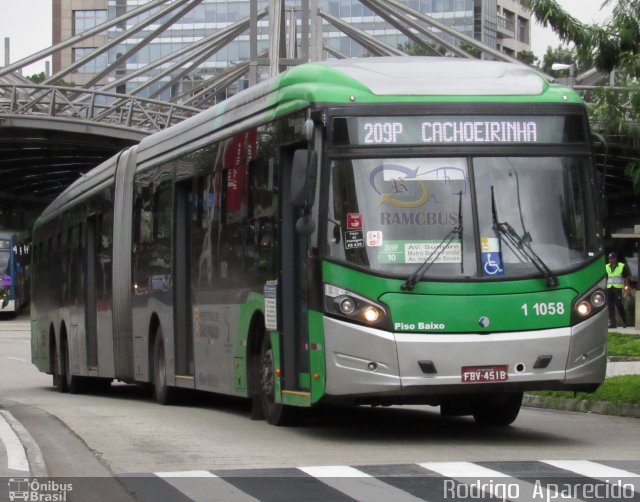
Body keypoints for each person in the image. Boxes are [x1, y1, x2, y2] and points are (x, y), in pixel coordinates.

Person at [605, 251, 631, 328]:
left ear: (615, 259)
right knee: (610, 306)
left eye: (612, 258)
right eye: (609, 259)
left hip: (618, 288)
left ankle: (624, 320)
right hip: (609, 288)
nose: (611, 260)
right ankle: (613, 323)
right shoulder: (606, 267)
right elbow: (606, 277)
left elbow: (626, 277)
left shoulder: (621, 266)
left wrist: (627, 287)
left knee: (619, 304)